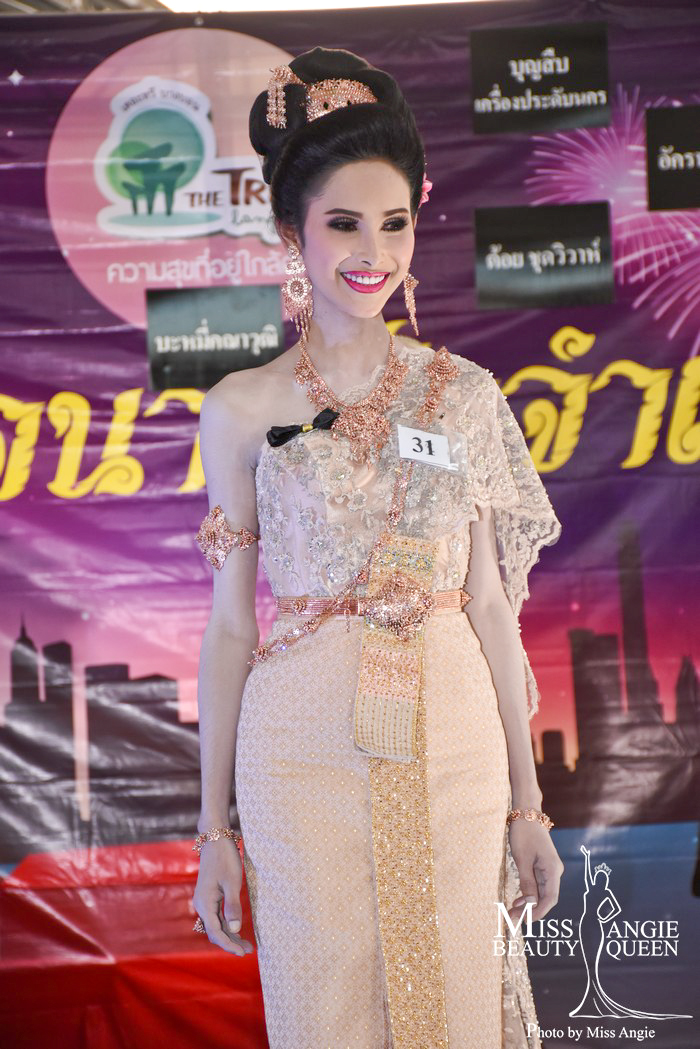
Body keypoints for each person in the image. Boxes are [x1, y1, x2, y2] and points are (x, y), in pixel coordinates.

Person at [191, 46, 565, 1049]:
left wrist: (529, 804)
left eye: (394, 222)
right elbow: (229, 629)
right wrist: (213, 827)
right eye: (344, 223)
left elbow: (490, 605)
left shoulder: (464, 394)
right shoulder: (240, 408)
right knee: (326, 1013)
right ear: (291, 232)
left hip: (454, 744)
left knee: (458, 1006)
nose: (373, 251)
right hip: (299, 757)